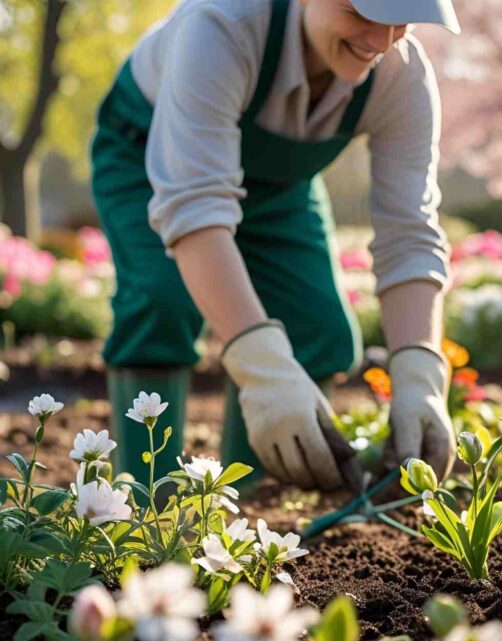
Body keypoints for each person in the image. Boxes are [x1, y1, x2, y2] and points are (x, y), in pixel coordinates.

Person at [91, 0, 460, 493]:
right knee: (163, 299)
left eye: (401, 20)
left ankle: (249, 506)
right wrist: (262, 370)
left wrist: (420, 370)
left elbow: (409, 231)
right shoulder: (221, 26)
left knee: (319, 327)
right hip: (149, 159)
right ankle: (144, 501)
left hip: (276, 186)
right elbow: (196, 207)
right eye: (361, 13)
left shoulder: (403, 75)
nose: (380, 39)